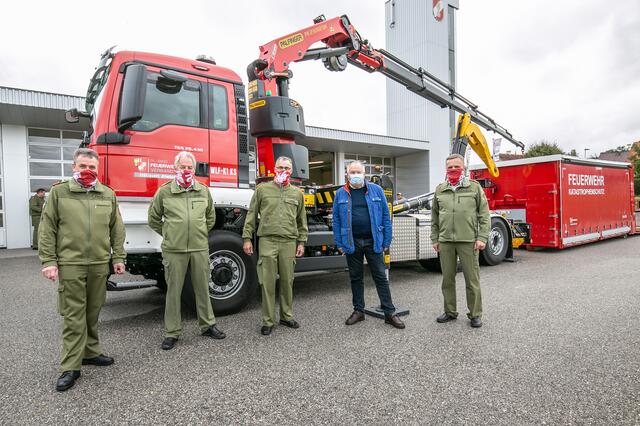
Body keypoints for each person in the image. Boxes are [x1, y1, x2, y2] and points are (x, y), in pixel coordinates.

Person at [38, 148, 126, 392]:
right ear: (73, 168)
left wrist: (118, 257)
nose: (88, 171)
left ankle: (90, 352)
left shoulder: (107, 193)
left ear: (97, 170)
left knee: (93, 312)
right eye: (83, 167)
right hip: (71, 264)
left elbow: (117, 229)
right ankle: (70, 366)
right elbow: (47, 230)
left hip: (98, 264)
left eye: (92, 168)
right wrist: (49, 261)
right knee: (74, 315)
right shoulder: (59, 193)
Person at [148, 151, 225, 350]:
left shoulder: (203, 190)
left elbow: (210, 218)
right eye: (182, 167)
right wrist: (171, 234)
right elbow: (154, 219)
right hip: (174, 249)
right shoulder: (164, 192)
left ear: (194, 169)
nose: (186, 170)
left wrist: (198, 233)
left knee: (202, 287)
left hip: (199, 248)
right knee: (173, 291)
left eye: (189, 167)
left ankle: (208, 325)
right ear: (175, 168)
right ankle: (172, 332)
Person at [332, 161, 405, 329]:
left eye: (358, 171)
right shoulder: (340, 194)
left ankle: (389, 313)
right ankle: (359, 311)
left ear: (364, 173)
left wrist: (386, 241)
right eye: (352, 172)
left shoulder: (376, 190)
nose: (355, 175)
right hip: (352, 242)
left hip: (374, 241)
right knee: (356, 278)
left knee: (380, 277)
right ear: (347, 174)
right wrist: (339, 242)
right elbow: (336, 220)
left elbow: (386, 217)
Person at [242, 156, 308, 336]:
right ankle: (268, 320)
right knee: (267, 283)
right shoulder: (262, 190)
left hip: (288, 242)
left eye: (287, 168)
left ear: (291, 171)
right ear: (274, 168)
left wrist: (301, 241)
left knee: (287, 281)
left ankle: (286, 316)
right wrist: (247, 238)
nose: (283, 171)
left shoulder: (297, 193)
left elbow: (302, 220)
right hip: (267, 241)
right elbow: (251, 215)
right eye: (280, 167)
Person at [431, 153, 490, 328]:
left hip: (468, 241)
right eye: (450, 167)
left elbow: (484, 215)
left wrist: (482, 237)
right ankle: (450, 311)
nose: (454, 170)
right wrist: (435, 238)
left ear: (463, 168)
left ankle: (475, 314)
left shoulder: (474, 187)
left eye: (457, 166)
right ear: (446, 169)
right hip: (446, 241)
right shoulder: (440, 189)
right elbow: (434, 217)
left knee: (472, 280)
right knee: (447, 279)